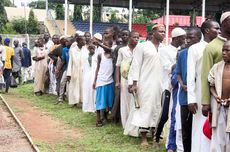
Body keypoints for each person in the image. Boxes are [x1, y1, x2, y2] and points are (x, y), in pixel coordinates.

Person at [129, 24, 165, 147]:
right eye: (161, 31)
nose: (164, 34)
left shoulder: (164, 48)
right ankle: (143, 138)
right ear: (153, 32)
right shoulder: (142, 46)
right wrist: (134, 83)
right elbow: (135, 65)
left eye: (165, 32)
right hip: (145, 83)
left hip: (161, 84)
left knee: (158, 109)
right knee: (144, 109)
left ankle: (155, 138)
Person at [187, 20, 220, 152]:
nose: (219, 31)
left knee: (214, 124)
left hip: (217, 92)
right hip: (200, 92)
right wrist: (191, 99)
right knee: (199, 125)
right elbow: (190, 75)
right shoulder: (195, 48)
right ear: (206, 30)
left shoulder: (221, 47)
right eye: (216, 29)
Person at [157, 27, 186, 146]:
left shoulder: (182, 50)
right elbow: (167, 67)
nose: (185, 40)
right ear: (177, 38)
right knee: (164, 115)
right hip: (167, 86)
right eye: (183, 38)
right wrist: (180, 59)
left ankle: (173, 141)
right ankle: (157, 137)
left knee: (175, 115)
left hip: (178, 87)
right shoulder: (164, 50)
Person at [176, 27, 202, 152]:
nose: (187, 40)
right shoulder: (181, 54)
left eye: (191, 37)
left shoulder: (204, 51)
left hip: (200, 96)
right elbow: (178, 73)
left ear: (199, 38)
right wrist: (182, 84)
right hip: (184, 97)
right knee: (186, 128)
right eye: (187, 37)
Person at [201, 11, 230, 117]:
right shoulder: (211, 47)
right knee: (219, 131)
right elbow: (205, 75)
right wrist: (205, 102)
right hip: (218, 98)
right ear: (224, 23)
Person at [208, 40, 230, 152]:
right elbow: (211, 85)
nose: (224, 53)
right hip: (219, 106)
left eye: (227, 50)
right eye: (223, 50)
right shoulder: (217, 67)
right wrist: (216, 96)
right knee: (219, 135)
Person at [115, 31, 139, 129]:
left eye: (138, 38)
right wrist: (117, 81)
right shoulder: (122, 50)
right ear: (129, 38)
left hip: (136, 79)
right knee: (125, 101)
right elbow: (118, 66)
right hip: (125, 79)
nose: (136, 39)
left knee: (135, 101)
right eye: (134, 37)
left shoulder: (139, 49)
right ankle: (126, 125)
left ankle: (134, 125)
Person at [93, 39, 114, 127]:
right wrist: (95, 80)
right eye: (103, 45)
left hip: (110, 80)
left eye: (106, 45)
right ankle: (98, 118)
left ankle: (104, 116)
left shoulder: (113, 54)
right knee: (99, 100)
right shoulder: (100, 55)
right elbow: (97, 68)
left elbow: (111, 50)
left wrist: (99, 44)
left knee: (108, 101)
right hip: (101, 80)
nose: (103, 46)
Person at [112, 29, 130, 124]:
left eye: (127, 35)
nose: (125, 37)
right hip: (119, 75)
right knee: (118, 96)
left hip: (130, 77)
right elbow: (116, 64)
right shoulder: (118, 48)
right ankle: (115, 117)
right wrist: (117, 80)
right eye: (123, 35)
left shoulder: (134, 47)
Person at [66, 32, 87, 106]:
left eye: (85, 40)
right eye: (83, 40)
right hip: (75, 71)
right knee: (74, 86)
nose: (84, 42)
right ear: (78, 41)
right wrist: (69, 74)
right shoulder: (73, 50)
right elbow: (70, 62)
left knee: (82, 87)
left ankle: (82, 101)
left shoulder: (86, 50)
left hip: (84, 71)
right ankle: (74, 101)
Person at [56, 36, 73, 104]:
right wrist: (58, 69)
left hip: (74, 70)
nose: (66, 43)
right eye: (65, 41)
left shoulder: (74, 49)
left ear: (71, 42)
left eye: (67, 41)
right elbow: (63, 61)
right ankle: (60, 98)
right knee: (62, 82)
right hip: (67, 69)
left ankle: (72, 99)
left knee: (72, 85)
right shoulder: (64, 49)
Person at [82, 44, 96, 112]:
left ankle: (94, 107)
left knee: (94, 91)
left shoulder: (96, 56)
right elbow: (84, 67)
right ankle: (87, 107)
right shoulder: (85, 56)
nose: (92, 50)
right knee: (87, 90)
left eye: (93, 48)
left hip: (94, 75)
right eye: (90, 48)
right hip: (87, 75)